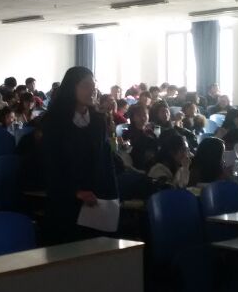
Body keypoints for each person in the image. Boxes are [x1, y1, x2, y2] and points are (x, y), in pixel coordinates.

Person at [42, 67, 118, 245]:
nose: (93, 90)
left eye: (94, 86)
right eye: (86, 85)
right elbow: (51, 165)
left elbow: (106, 161)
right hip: (66, 200)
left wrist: (112, 196)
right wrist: (75, 192)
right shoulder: (54, 121)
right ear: (71, 88)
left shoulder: (98, 121)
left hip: (96, 199)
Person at [124, 103, 158, 171]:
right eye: (139, 115)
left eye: (145, 114)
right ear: (133, 118)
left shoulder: (150, 132)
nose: (143, 118)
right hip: (137, 167)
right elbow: (129, 150)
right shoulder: (128, 134)